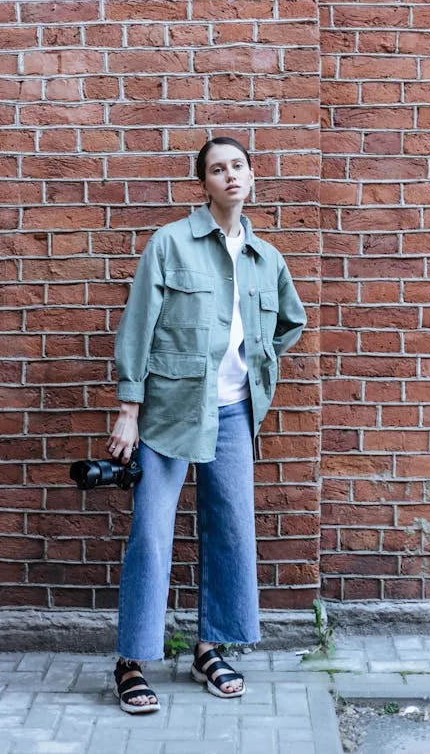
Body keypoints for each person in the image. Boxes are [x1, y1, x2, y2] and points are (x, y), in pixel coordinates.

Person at [107, 137, 307, 714]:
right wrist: (128, 408)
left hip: (233, 414)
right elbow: (137, 327)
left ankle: (209, 649)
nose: (230, 176)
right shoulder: (170, 244)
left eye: (238, 166)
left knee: (231, 531)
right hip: (168, 412)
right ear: (204, 184)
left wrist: (259, 363)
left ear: (251, 176)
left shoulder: (266, 258)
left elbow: (290, 321)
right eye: (217, 169)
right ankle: (132, 661)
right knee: (151, 533)